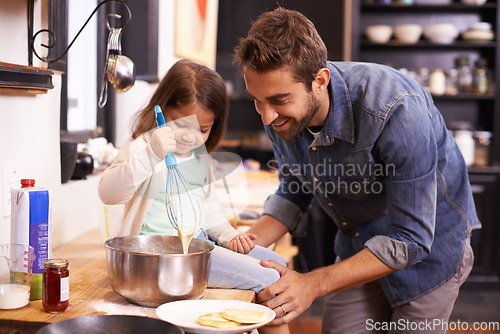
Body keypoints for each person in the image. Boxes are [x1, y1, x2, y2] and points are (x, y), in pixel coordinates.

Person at [234, 7, 480, 334]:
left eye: (278, 100)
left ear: (319, 81)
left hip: (430, 252)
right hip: (359, 242)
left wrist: (313, 284)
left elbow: (411, 240)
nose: (266, 117)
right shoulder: (278, 112)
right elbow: (295, 190)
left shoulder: (396, 109)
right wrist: (233, 249)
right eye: (256, 100)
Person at [98, 59, 290, 333]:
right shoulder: (142, 147)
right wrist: (151, 155)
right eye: (181, 125)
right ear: (161, 110)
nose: (191, 137)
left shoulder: (200, 157)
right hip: (161, 258)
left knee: (279, 264)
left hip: (198, 246)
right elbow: (109, 193)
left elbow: (207, 210)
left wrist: (228, 236)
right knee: (269, 279)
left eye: (203, 129)